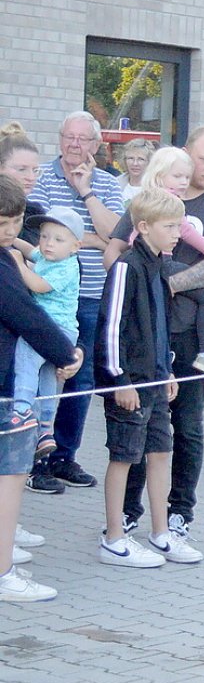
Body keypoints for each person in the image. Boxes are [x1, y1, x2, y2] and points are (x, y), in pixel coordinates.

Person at [111, 127, 204, 553]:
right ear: (184, 156)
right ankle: (128, 513)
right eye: (203, 159)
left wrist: (166, 285)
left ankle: (178, 514)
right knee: (139, 426)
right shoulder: (149, 199)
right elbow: (115, 250)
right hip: (145, 338)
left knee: (186, 428)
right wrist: (142, 287)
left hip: (189, 337)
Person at [31, 111, 126, 492]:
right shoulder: (40, 177)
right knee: (41, 379)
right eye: (68, 137)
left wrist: (86, 193)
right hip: (47, 298)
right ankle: (35, 459)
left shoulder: (106, 183)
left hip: (90, 297)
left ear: (97, 145)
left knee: (81, 376)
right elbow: (39, 233)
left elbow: (118, 236)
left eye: (83, 139)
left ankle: (64, 457)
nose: (74, 145)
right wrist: (90, 237)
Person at [95, 188, 189, 568]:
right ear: (144, 227)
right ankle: (114, 536)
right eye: (170, 226)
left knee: (161, 452)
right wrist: (120, 380)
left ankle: (161, 531)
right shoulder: (126, 267)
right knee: (123, 457)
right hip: (129, 382)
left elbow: (160, 328)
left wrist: (166, 370)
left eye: (179, 226)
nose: (177, 233)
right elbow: (111, 327)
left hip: (153, 378)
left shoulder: (159, 265)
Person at [0, 177, 81, 600]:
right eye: (4, 223)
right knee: (11, 475)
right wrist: (68, 353)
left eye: (16, 224)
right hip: (5, 386)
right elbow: (26, 315)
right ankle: (3, 572)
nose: (11, 233)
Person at [118, 146, 204, 375]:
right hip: (161, 262)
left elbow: (131, 236)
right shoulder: (168, 202)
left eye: (186, 177)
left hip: (148, 260)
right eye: (177, 176)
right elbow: (186, 231)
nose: (183, 182)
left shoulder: (146, 199)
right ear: (159, 176)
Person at [11, 207, 81, 461]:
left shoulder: (67, 267)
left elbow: (38, 286)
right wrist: (11, 240)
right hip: (58, 331)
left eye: (58, 239)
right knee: (48, 381)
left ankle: (22, 409)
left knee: (26, 361)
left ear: (76, 246)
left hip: (53, 329)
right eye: (44, 236)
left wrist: (18, 264)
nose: (48, 244)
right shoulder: (48, 256)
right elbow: (31, 251)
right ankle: (46, 430)